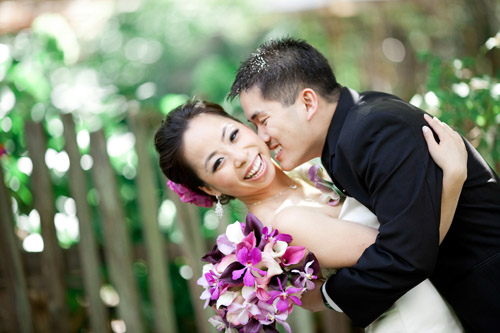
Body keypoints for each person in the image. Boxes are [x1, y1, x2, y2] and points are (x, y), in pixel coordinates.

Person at [227, 37, 500, 332]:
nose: (262, 137)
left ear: (307, 102)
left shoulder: (376, 130)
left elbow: (406, 254)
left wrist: (325, 297)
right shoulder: (350, 134)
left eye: (263, 120)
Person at [154, 100, 466, 332]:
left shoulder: (307, 170)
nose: (240, 157)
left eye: (233, 135)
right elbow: (409, 250)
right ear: (207, 188)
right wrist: (453, 178)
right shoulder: (285, 222)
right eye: (218, 162)